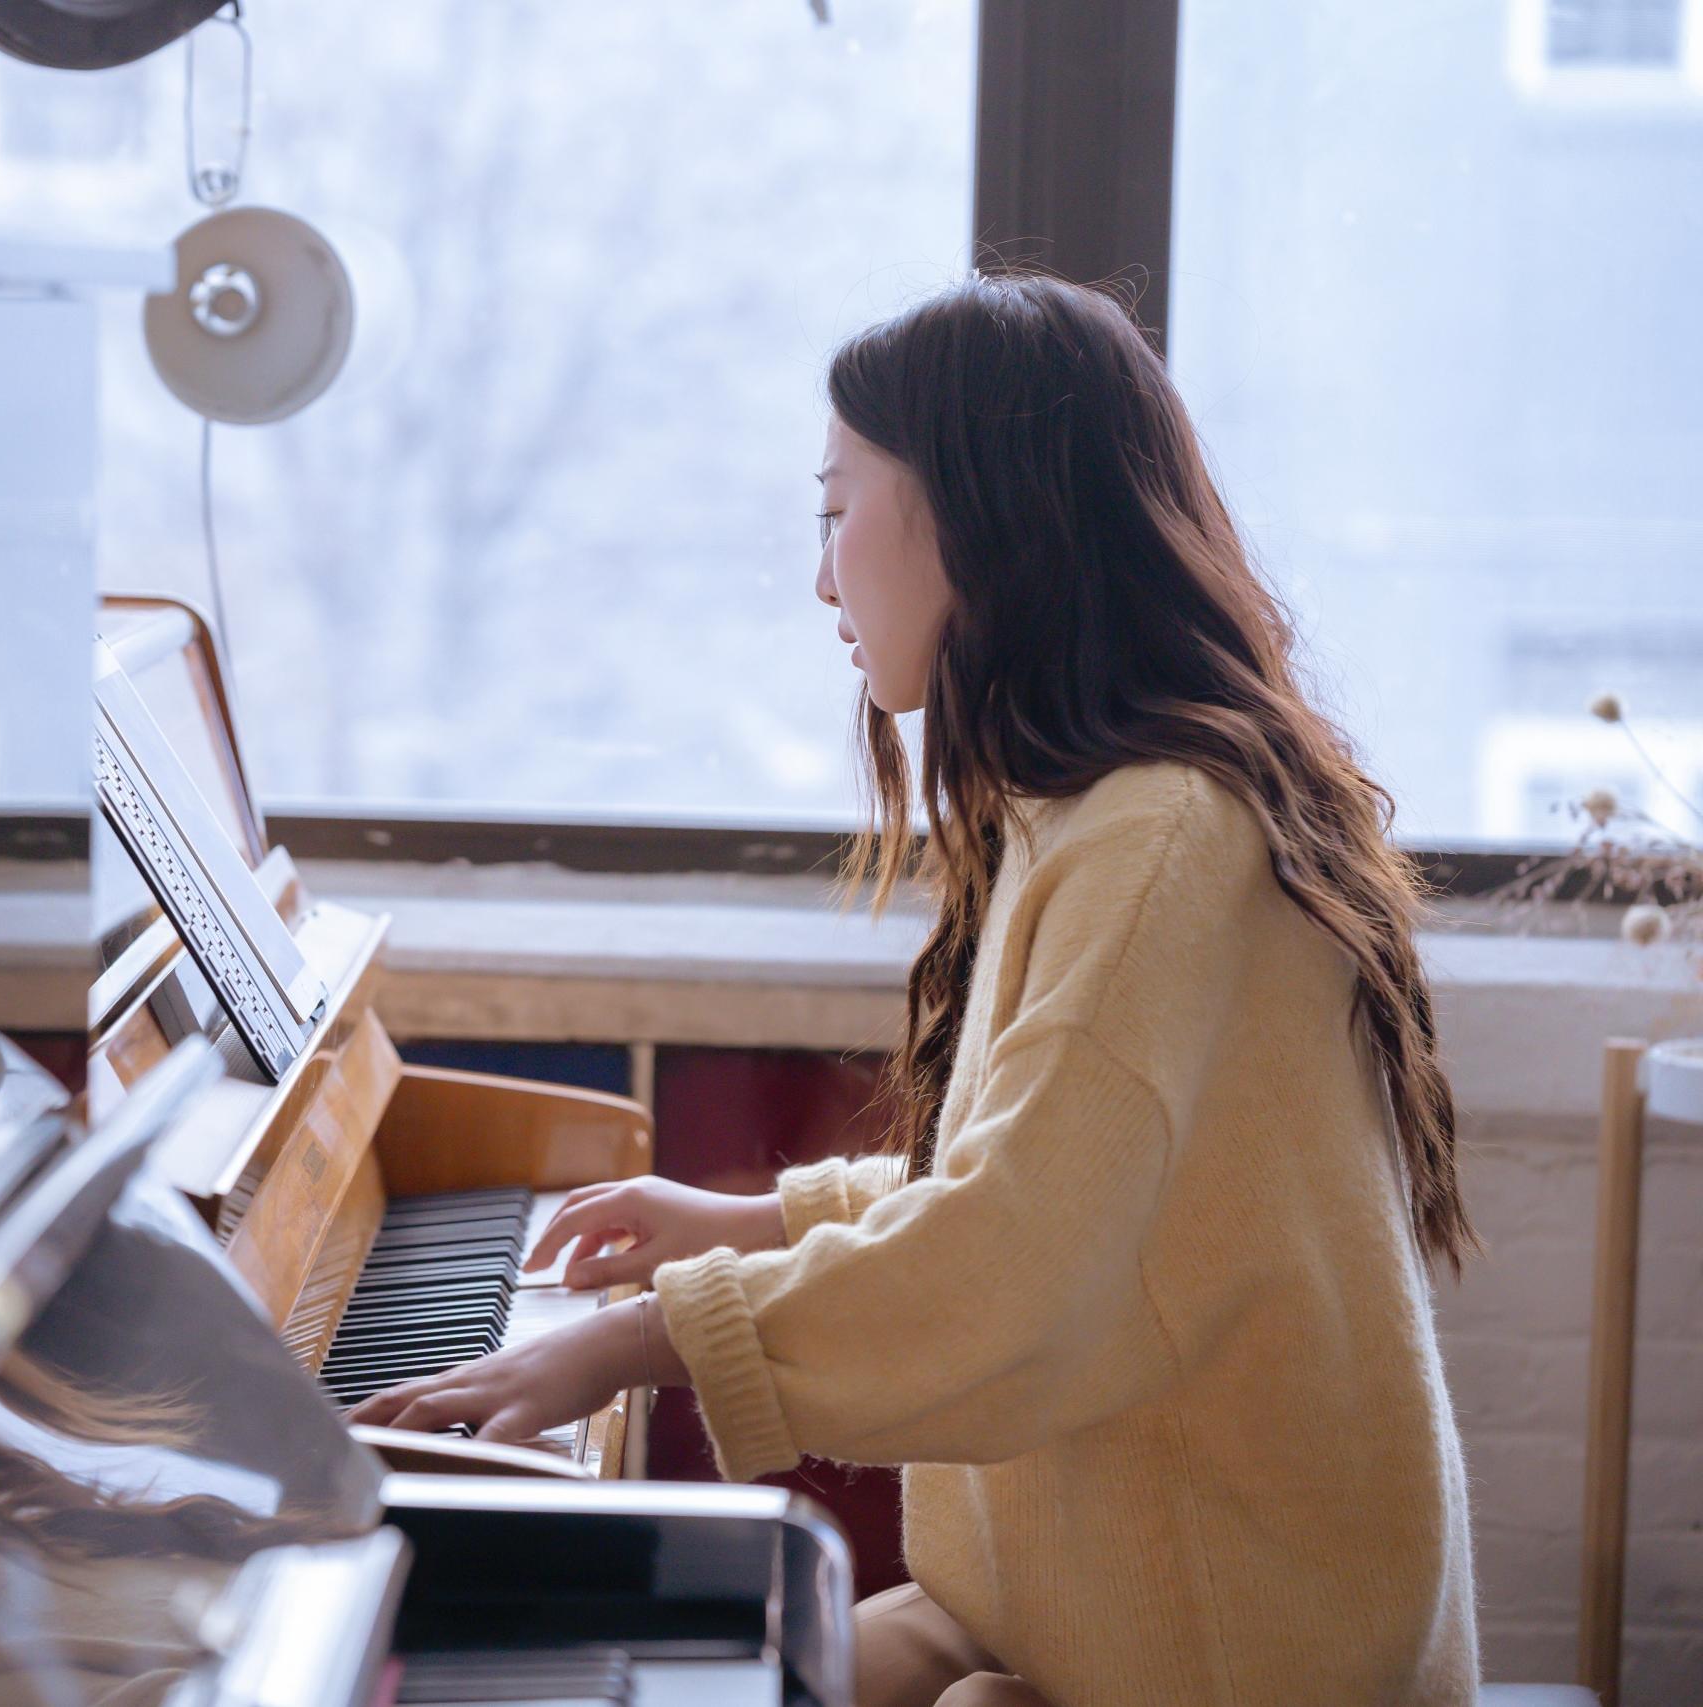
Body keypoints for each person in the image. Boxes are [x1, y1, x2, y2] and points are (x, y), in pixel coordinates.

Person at [353, 274, 1479, 1706]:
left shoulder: (1161, 838)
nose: (824, 576)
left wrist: (638, 1340)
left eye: (836, 511)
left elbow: (1010, 1258)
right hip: (1066, 1603)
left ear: (982, 514)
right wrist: (760, 1216)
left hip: (1233, 1647)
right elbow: (1061, 1176)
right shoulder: (1096, 814)